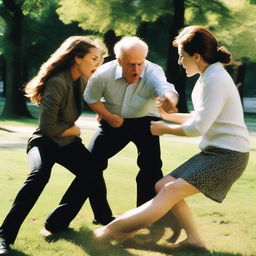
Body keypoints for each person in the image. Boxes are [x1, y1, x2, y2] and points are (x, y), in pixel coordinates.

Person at [93, 26, 250, 250]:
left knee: (169, 190)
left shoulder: (215, 79)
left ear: (196, 56)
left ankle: (111, 231)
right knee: (163, 185)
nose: (180, 61)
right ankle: (195, 240)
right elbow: (201, 116)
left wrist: (164, 128)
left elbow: (199, 126)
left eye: (182, 56)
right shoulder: (208, 76)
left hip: (228, 156)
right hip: (215, 152)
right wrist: (169, 116)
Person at [0, 36, 107, 255]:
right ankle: (3, 236)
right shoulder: (58, 81)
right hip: (44, 143)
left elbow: (99, 95)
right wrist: (74, 130)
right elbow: (47, 126)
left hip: (67, 144)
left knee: (92, 171)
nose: (97, 64)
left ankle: (58, 223)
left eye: (99, 59)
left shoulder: (82, 79)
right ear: (77, 58)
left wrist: (103, 112)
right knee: (38, 176)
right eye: (93, 58)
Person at [84, 36, 179, 225]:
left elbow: (165, 88)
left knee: (151, 168)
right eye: (130, 64)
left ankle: (146, 217)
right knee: (90, 165)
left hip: (146, 121)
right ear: (119, 61)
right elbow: (91, 98)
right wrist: (108, 116)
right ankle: (101, 216)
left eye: (139, 63)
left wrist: (170, 101)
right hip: (113, 121)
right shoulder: (103, 73)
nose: (136, 69)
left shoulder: (153, 71)